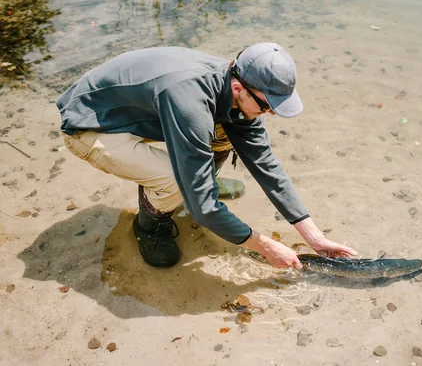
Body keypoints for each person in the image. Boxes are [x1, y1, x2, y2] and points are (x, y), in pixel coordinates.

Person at [56, 43, 357, 269]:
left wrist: (315, 238)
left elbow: (265, 164)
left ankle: (196, 181)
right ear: (239, 87)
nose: (270, 115)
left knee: (225, 133)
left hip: (141, 110)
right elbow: (202, 210)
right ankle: (150, 223)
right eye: (267, 107)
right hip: (92, 124)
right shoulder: (191, 102)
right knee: (176, 183)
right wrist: (265, 246)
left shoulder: (235, 85)